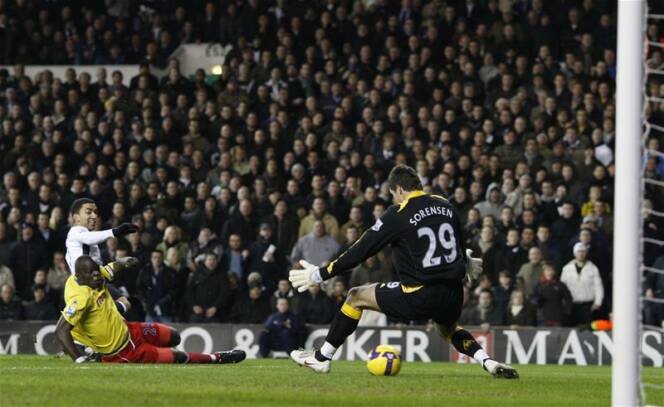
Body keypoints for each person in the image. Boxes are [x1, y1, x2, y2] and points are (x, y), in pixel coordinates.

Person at [288, 165, 518, 378]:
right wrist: (464, 262)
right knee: (448, 330)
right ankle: (487, 361)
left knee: (356, 296)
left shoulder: (398, 213)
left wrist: (320, 274)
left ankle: (321, 358)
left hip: (419, 294)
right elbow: (459, 243)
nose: (393, 198)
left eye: (392, 193)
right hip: (453, 293)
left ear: (398, 189)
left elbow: (360, 251)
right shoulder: (446, 205)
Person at [56, 255, 246, 364]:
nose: (98, 276)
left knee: (173, 336)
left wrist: (121, 262)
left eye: (97, 272)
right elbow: (61, 329)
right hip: (123, 352)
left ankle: (94, 351)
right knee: (178, 358)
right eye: (93, 274)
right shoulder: (80, 298)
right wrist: (79, 360)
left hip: (131, 330)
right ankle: (217, 358)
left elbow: (107, 270)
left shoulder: (88, 274)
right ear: (81, 276)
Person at [65, 198, 137, 314]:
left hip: (97, 283)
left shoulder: (90, 238)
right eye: (88, 212)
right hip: (84, 287)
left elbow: (97, 268)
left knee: (125, 303)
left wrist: (120, 263)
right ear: (76, 217)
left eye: (95, 212)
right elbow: (87, 238)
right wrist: (115, 231)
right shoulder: (75, 232)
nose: (94, 216)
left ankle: (106, 316)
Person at [560, 242, 604, 326]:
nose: (581, 254)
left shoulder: (593, 268)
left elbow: (598, 286)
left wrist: (598, 302)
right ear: (575, 253)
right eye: (579, 252)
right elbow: (562, 287)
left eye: (583, 251)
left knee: (586, 330)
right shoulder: (566, 268)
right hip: (571, 305)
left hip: (587, 305)